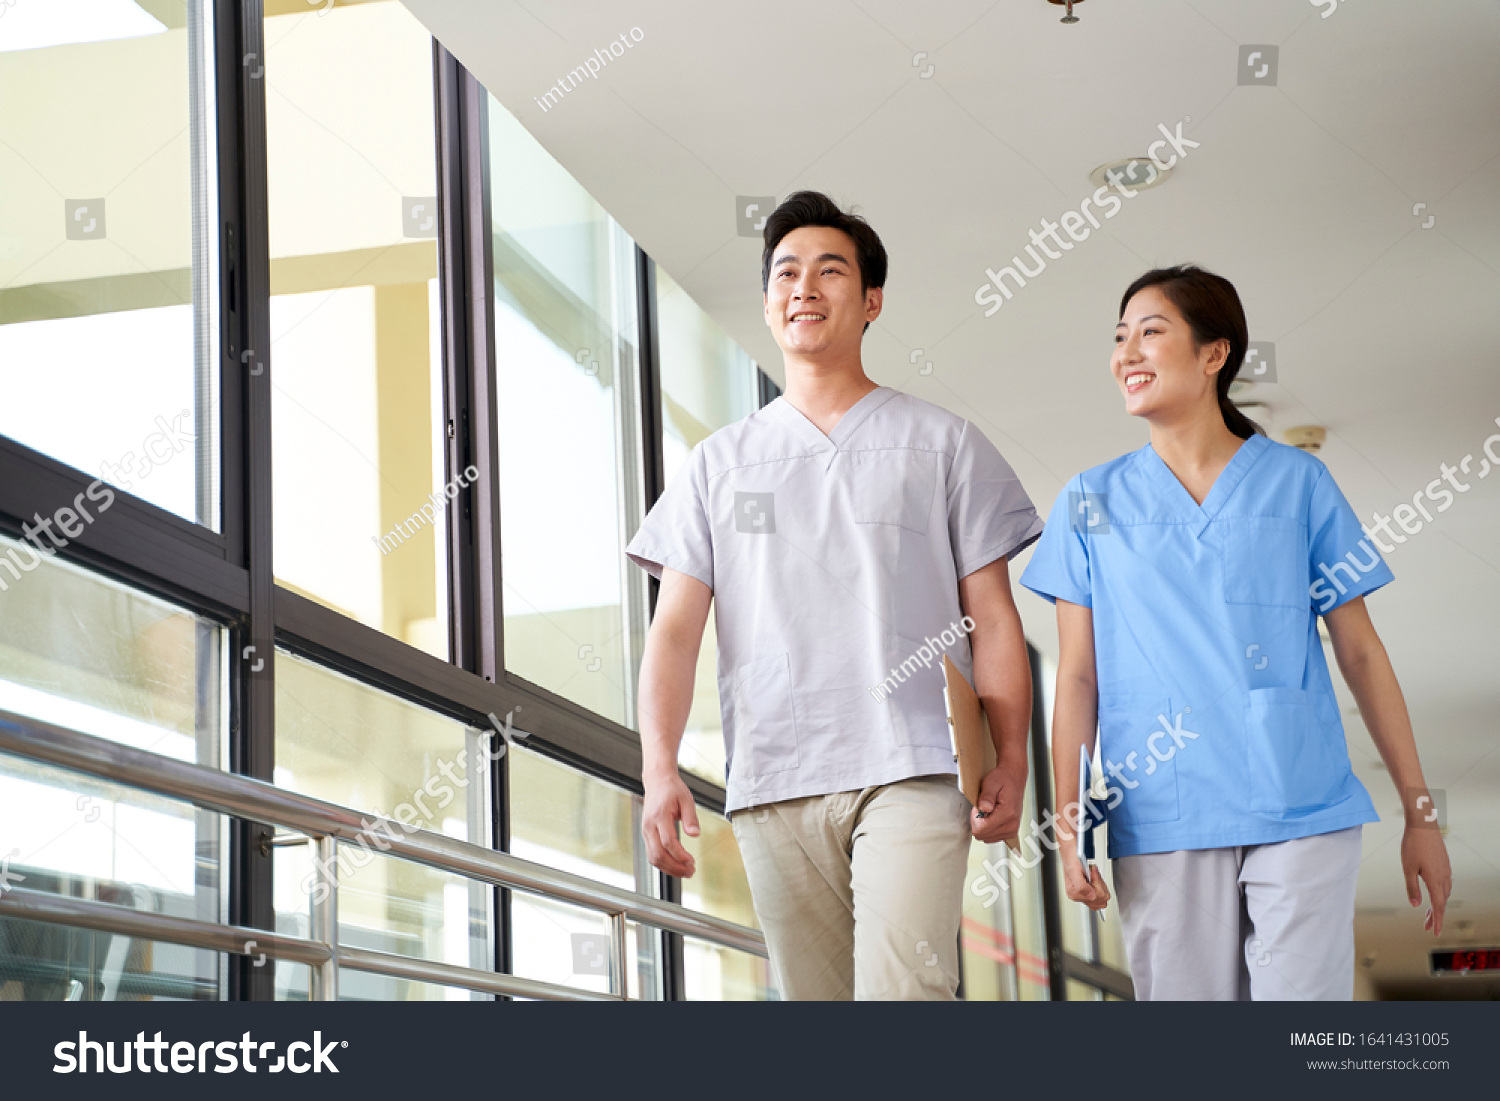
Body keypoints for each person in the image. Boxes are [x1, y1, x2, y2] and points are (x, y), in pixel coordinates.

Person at [625, 191, 1044, 1000]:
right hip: (775, 772)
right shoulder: (719, 464)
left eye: (829, 270)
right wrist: (659, 768)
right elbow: (674, 633)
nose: (804, 287)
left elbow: (993, 618)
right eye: (786, 272)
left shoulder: (942, 442)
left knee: (905, 992)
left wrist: (1013, 754)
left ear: (872, 300)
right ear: (769, 299)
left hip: (916, 762)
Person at [1020, 265, 1453, 1000]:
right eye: (1119, 337)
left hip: (1300, 798)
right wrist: (1068, 826)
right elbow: (1079, 677)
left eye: (1150, 332)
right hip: (1162, 810)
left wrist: (1421, 813)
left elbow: (1361, 652)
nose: (1127, 352)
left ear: (1214, 353)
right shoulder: (1089, 500)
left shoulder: (1298, 483)